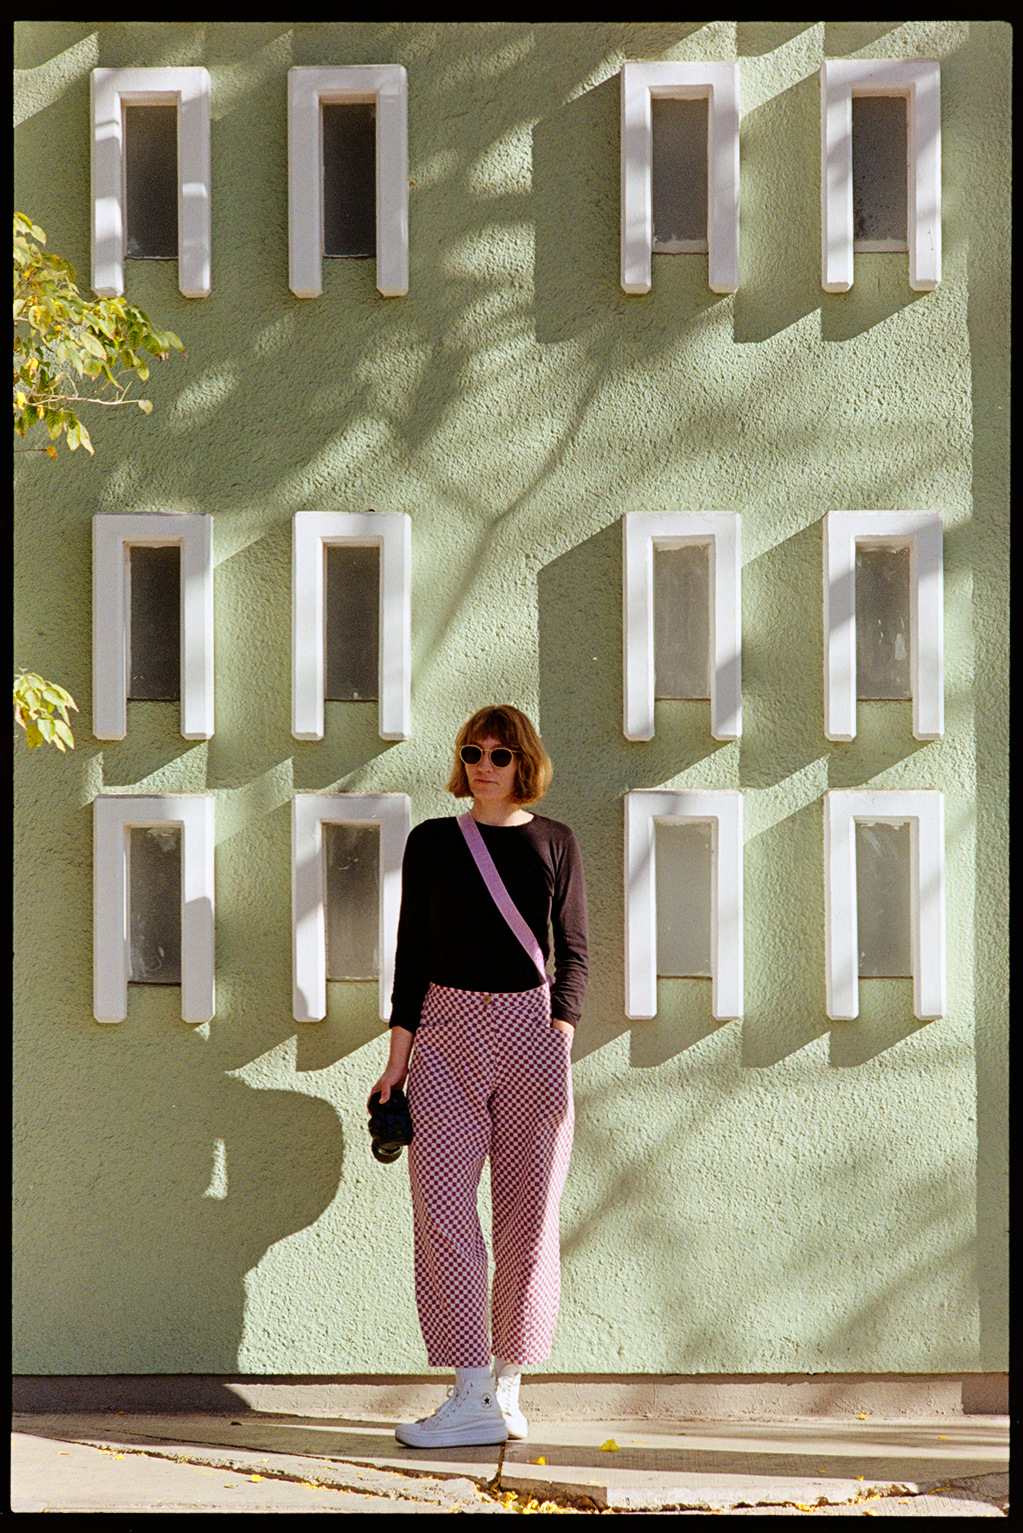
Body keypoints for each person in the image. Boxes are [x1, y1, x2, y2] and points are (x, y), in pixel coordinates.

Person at [369, 704, 589, 1448]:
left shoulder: (555, 841)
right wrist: (398, 1056)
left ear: (522, 761)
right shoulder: (432, 840)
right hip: (445, 1030)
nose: (484, 765)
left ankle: (507, 1388)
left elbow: (576, 950)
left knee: (529, 1219)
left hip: (532, 1031)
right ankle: (467, 1389)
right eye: (472, 751)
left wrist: (558, 1026)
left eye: (499, 754)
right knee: (440, 1209)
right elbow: (411, 951)